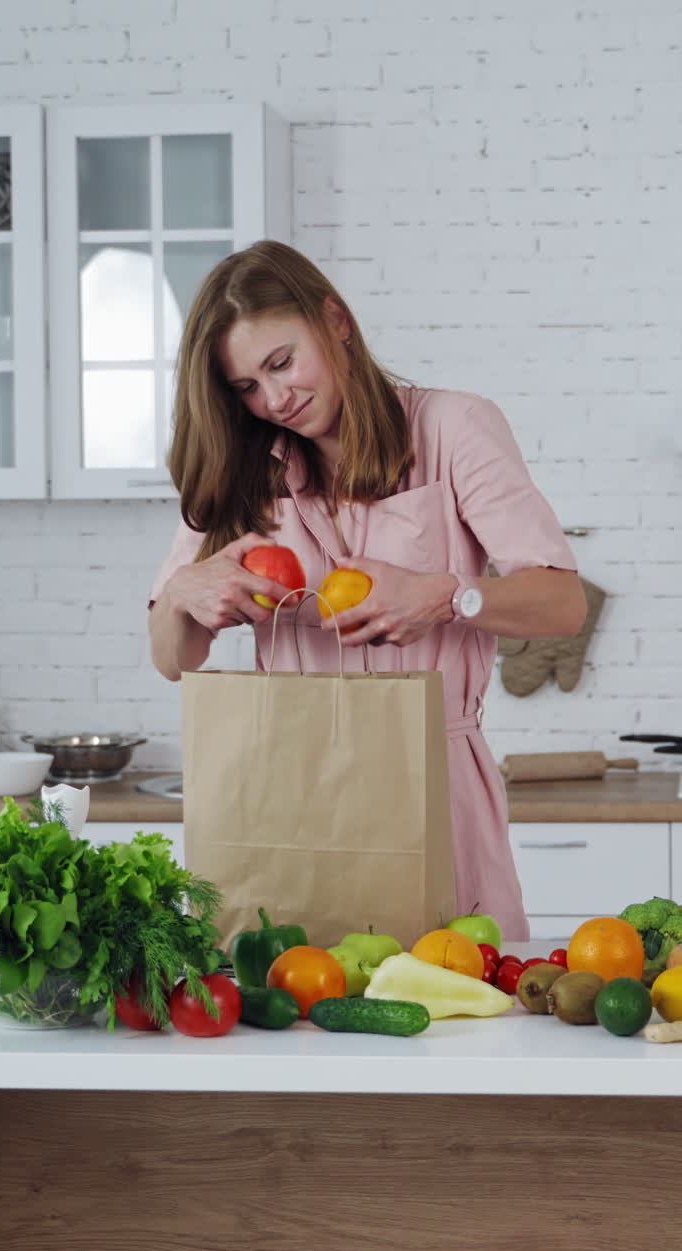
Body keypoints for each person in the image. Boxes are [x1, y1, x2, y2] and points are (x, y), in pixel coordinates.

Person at [149, 240, 587, 940]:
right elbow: (174, 659)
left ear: (336, 320)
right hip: (289, 792)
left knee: (454, 992)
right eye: (247, 387)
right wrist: (181, 593)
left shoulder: (452, 428)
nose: (274, 400)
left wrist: (447, 595)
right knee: (296, 994)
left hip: (431, 784)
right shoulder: (241, 465)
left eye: (282, 363)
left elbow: (563, 604)